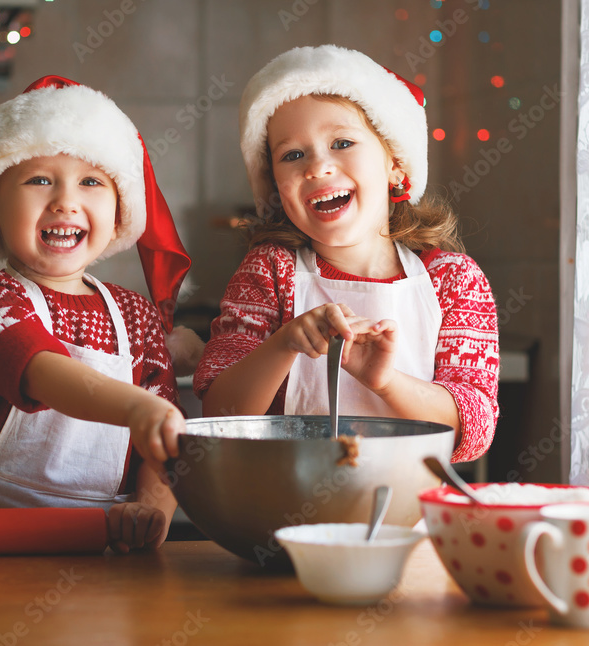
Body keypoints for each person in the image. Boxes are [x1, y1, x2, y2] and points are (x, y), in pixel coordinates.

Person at [0, 76, 196, 553]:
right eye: (39, 180)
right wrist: (137, 406)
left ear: (119, 216)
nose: (65, 200)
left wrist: (152, 510)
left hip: (98, 555)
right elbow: (41, 371)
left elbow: (161, 442)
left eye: (91, 182)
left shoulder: (135, 315)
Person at [193, 45, 499, 462]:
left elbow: (474, 431)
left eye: (342, 142)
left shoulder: (453, 279)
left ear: (396, 163)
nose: (317, 167)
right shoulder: (269, 271)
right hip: (289, 510)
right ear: (275, 186)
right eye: (293, 155)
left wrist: (386, 381)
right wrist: (284, 344)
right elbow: (220, 415)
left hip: (407, 512)